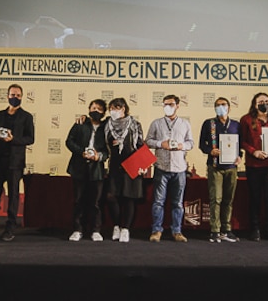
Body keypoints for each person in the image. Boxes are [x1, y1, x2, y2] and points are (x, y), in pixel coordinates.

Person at [0, 84, 35, 241]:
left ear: (22, 97)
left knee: (13, 196)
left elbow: (30, 138)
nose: (15, 97)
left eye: (18, 95)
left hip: (15, 163)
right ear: (7, 95)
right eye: (12, 94)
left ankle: (10, 228)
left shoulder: (26, 117)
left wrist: (14, 139)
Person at [239, 93, 268, 242]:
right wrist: (254, 151)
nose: (264, 104)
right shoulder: (246, 119)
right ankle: (255, 229)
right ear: (254, 104)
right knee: (255, 197)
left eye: (267, 101)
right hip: (254, 165)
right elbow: (241, 141)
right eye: (261, 102)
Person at [146, 95, 194, 242]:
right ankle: (156, 230)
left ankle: (177, 231)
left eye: (171, 104)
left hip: (179, 169)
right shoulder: (156, 123)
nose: (168, 107)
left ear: (177, 106)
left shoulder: (185, 124)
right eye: (165, 104)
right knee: (158, 202)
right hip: (161, 167)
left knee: (177, 203)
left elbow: (190, 143)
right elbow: (148, 141)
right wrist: (161, 144)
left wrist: (181, 146)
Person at [198, 97, 243, 243]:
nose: (221, 107)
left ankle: (226, 229)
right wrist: (210, 151)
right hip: (215, 166)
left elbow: (240, 145)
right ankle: (215, 230)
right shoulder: (209, 123)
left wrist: (239, 157)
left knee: (228, 199)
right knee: (215, 199)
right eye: (217, 105)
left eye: (223, 105)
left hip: (231, 167)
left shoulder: (236, 125)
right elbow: (202, 144)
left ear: (229, 107)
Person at [66, 99, 109, 242]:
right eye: (93, 108)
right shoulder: (80, 123)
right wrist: (81, 152)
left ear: (104, 112)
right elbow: (69, 141)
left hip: (96, 170)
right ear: (88, 109)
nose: (95, 111)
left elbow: (108, 151)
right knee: (78, 200)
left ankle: (96, 230)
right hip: (79, 168)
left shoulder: (106, 127)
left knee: (96, 202)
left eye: (99, 109)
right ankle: (77, 229)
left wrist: (99, 157)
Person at [104, 98, 146, 243]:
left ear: (124, 109)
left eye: (117, 108)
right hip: (115, 165)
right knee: (111, 197)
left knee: (129, 197)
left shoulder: (134, 124)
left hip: (132, 164)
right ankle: (116, 226)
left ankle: (126, 229)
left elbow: (140, 144)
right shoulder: (107, 124)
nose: (113, 111)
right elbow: (93, 127)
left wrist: (143, 164)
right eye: (111, 108)